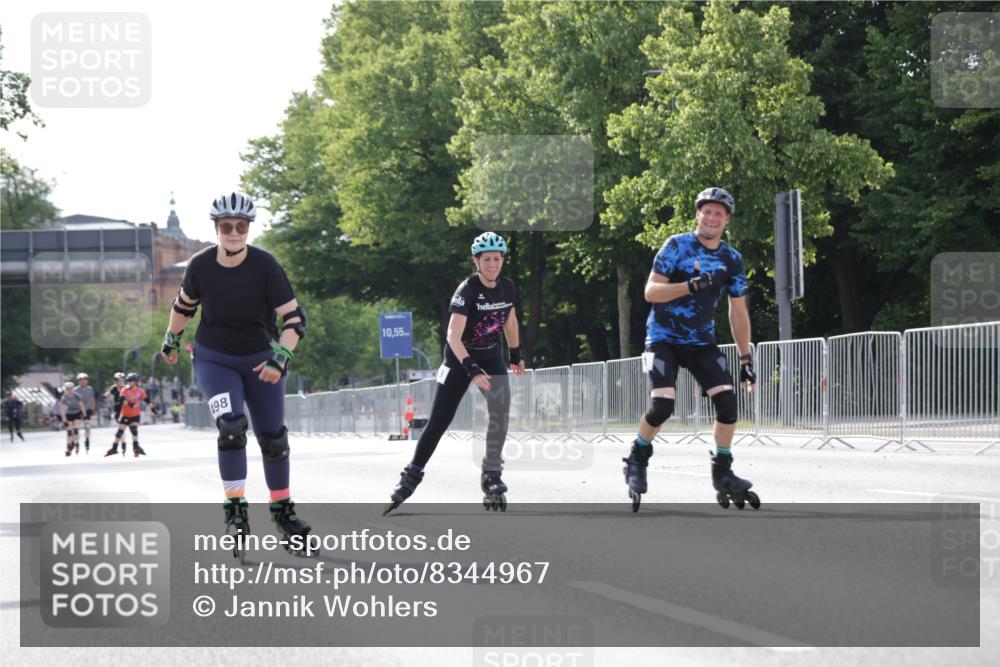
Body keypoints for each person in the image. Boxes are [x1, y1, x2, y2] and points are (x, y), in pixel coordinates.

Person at [160, 191, 313, 555]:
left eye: (240, 227)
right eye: (226, 226)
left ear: (248, 229)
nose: (233, 233)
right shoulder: (200, 265)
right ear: (216, 228)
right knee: (231, 427)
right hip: (214, 358)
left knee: (274, 439)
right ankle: (236, 512)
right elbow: (184, 306)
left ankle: (282, 512)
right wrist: (170, 339)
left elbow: (294, 319)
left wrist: (280, 358)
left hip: (261, 359)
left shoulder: (264, 265)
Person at [623, 187, 759, 512]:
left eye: (719, 214)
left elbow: (737, 311)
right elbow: (650, 292)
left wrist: (745, 358)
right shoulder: (676, 245)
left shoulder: (732, 259)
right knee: (662, 407)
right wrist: (688, 286)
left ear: (727, 220)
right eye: (706, 212)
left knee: (727, 402)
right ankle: (637, 457)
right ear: (698, 214)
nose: (711, 218)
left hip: (701, 342)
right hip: (663, 339)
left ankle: (722, 471)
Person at [384, 232, 525, 515]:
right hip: (459, 361)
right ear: (476, 262)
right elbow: (452, 335)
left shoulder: (507, 288)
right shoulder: (467, 290)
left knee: (500, 413)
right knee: (439, 422)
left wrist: (515, 353)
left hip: (491, 356)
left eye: (497, 259)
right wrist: (472, 369)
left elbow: (509, 320)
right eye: (487, 260)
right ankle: (411, 476)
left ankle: (492, 474)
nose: (493, 265)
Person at [105, 373, 153, 457]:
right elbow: (119, 399)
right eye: (127, 381)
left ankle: (134, 448)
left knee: (133, 430)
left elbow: (145, 400)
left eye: (129, 381)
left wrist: (153, 409)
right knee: (120, 431)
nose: (127, 382)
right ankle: (116, 448)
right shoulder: (121, 389)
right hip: (122, 412)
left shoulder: (134, 390)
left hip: (132, 413)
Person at [59, 382, 86, 456]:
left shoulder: (77, 396)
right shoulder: (64, 397)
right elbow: (62, 408)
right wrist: (64, 418)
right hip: (68, 414)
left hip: (76, 413)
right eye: (68, 389)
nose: (70, 390)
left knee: (76, 429)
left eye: (71, 389)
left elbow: (81, 405)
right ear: (66, 390)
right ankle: (69, 446)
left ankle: (76, 444)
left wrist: (84, 415)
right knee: (69, 431)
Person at [103, 372, 127, 455]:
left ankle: (124, 444)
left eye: (122, 380)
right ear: (116, 381)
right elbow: (108, 393)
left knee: (123, 428)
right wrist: (105, 395)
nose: (121, 382)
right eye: (119, 380)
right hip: (117, 409)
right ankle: (123, 444)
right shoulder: (114, 388)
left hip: (126, 409)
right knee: (121, 427)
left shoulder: (126, 388)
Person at [74, 372, 96, 452]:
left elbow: (92, 399)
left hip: (87, 410)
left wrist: (93, 409)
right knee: (75, 427)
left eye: (84, 380)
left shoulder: (90, 389)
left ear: (87, 381)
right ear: (78, 381)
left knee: (87, 426)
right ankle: (76, 442)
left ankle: (87, 440)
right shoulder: (75, 390)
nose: (83, 381)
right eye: (81, 380)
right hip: (78, 410)